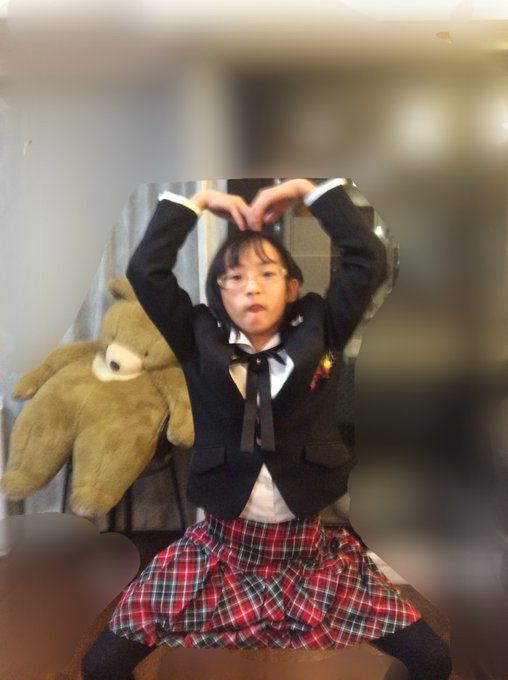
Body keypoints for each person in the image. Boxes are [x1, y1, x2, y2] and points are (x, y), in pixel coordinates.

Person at [82, 178, 452, 679]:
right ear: (218, 294)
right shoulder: (196, 336)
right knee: (100, 666)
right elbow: (147, 271)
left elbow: (368, 258)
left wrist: (306, 188)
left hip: (313, 561)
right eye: (233, 277)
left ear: (292, 287)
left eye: (266, 273)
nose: (251, 286)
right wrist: (196, 202)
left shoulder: (322, 328)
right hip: (218, 556)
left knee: (432, 659)